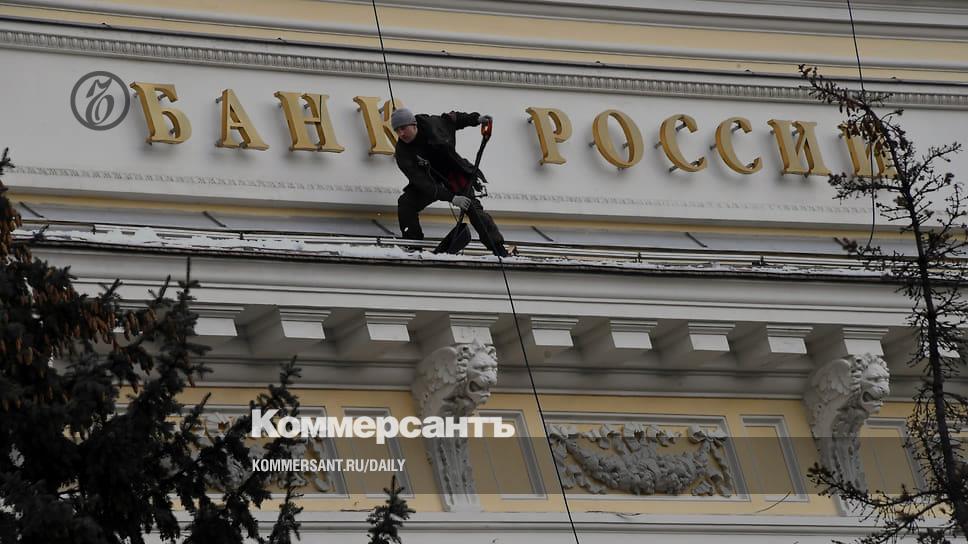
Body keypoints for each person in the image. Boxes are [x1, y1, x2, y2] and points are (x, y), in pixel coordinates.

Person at [391, 107, 509, 257]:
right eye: (397, 130)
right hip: (430, 182)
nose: (401, 134)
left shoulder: (433, 124)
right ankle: (413, 246)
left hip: (453, 174)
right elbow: (424, 183)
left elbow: (454, 119)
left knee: (473, 208)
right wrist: (452, 198)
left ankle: (498, 249)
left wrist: (476, 119)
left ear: (414, 124)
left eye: (403, 128)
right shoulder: (402, 153)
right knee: (406, 203)